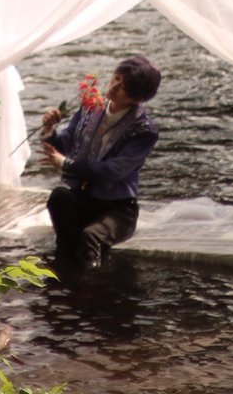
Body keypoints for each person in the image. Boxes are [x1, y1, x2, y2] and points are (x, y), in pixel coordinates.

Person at [39, 56, 161, 270]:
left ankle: (89, 289)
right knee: (58, 198)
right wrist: (50, 130)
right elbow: (66, 145)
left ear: (136, 98)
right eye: (116, 78)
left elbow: (113, 171)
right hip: (83, 197)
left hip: (117, 209)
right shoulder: (91, 107)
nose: (113, 87)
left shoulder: (144, 129)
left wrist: (66, 164)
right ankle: (63, 279)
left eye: (122, 88)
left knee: (90, 237)